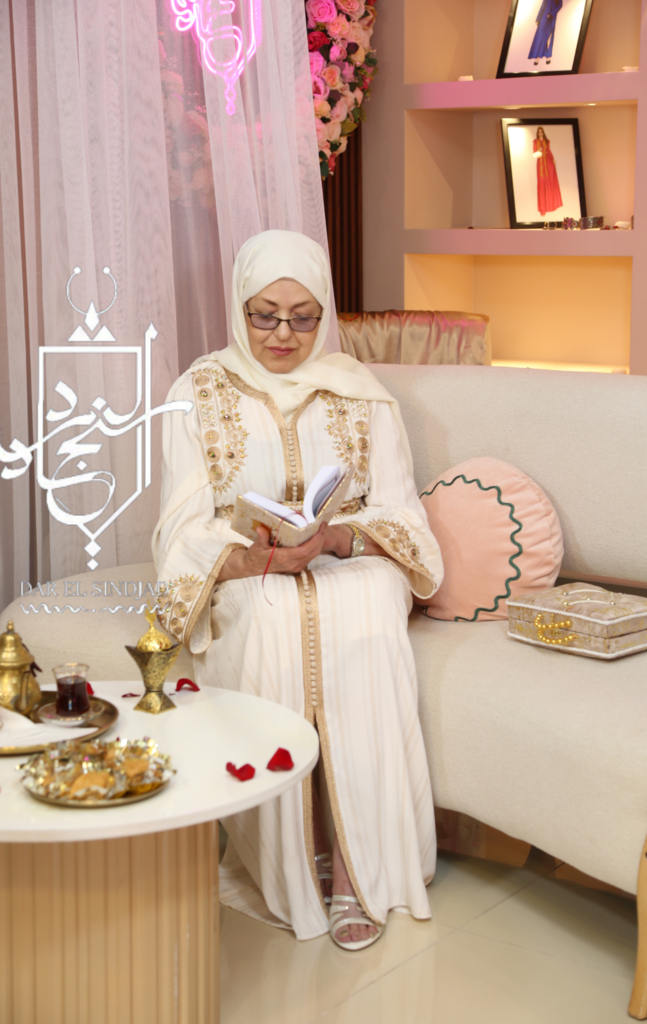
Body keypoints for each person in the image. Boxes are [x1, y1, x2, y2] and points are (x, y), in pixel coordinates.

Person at [152, 229, 444, 951]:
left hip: (349, 560)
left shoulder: (362, 395)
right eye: (264, 315)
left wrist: (335, 539)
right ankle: (294, 856)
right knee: (274, 614)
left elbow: (404, 515)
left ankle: (355, 867)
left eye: (303, 317)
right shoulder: (197, 393)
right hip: (249, 570)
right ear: (238, 308)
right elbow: (181, 526)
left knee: (364, 607)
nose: (283, 334)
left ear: (325, 313)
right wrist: (246, 557)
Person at [533, 126, 563, 217]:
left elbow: (549, 151)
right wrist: (538, 151)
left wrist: (553, 159)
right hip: (540, 163)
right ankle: (543, 209)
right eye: (539, 132)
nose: (540, 133)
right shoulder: (535, 141)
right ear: (537, 133)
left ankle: (551, 205)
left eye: (541, 132)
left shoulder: (547, 141)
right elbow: (534, 152)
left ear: (543, 132)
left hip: (547, 161)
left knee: (549, 182)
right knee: (541, 183)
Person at [528, 0, 563, 66]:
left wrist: (552, 14)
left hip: (551, 19)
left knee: (548, 38)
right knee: (540, 37)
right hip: (543, 18)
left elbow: (560, 5)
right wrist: (538, 19)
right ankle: (538, 57)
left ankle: (548, 57)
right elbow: (542, 6)